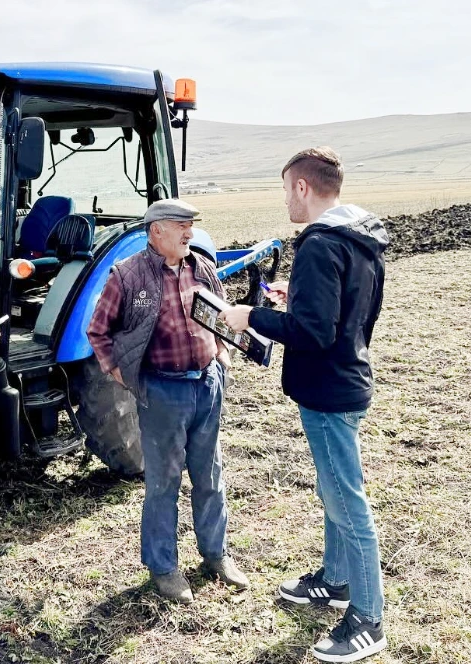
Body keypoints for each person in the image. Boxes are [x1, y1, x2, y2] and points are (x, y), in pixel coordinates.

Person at [220, 147, 389, 663]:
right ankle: (336, 581)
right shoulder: (361, 240)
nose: (285, 201)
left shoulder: (319, 244)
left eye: (285, 189)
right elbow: (353, 314)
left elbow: (314, 333)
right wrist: (299, 297)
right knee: (334, 489)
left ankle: (368, 617)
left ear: (301, 187)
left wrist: (251, 316)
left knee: (347, 502)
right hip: (349, 380)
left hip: (328, 391)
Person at [87, 198, 249, 604]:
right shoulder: (127, 276)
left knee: (210, 476)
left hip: (206, 385)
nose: (189, 233)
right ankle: (164, 568)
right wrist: (122, 375)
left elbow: (222, 316)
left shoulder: (202, 267)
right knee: (163, 484)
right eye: (182, 225)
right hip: (163, 390)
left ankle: (216, 555)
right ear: (157, 230)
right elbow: (98, 332)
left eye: (191, 225)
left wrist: (223, 358)